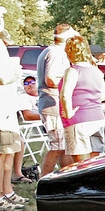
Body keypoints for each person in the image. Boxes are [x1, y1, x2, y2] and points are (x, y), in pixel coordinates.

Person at [38, 24, 79, 176]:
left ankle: (66, 179)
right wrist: (68, 84)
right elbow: (50, 79)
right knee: (57, 146)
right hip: (52, 104)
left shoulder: (53, 51)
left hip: (55, 104)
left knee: (65, 146)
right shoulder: (55, 52)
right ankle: (43, 181)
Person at [59, 35, 105, 162]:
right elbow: (103, 95)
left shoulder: (73, 70)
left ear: (68, 52)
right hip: (97, 118)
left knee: (81, 165)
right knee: (94, 163)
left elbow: (65, 95)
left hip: (79, 121)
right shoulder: (96, 71)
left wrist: (68, 113)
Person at [0, 8, 28, 211]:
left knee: (10, 151)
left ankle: (8, 190)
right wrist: (15, 73)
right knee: (2, 153)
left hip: (9, 106)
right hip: (2, 109)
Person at [10, 75, 40, 184]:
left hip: (46, 123)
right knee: (18, 141)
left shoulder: (43, 95)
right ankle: (16, 174)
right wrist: (48, 115)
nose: (30, 84)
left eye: (32, 82)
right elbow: (27, 116)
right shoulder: (25, 98)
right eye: (26, 83)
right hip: (40, 124)